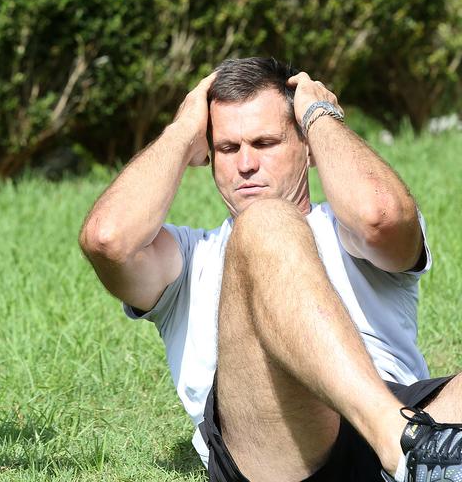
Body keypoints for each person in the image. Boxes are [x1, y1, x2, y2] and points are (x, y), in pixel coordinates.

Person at [79, 56, 462, 481]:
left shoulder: (347, 227)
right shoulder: (190, 260)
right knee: (264, 221)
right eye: (227, 148)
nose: (245, 165)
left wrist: (318, 116)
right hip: (279, 445)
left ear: (307, 145)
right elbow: (108, 240)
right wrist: (182, 129)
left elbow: (380, 216)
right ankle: (400, 444)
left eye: (264, 143)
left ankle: (402, 443)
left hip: (414, 420)